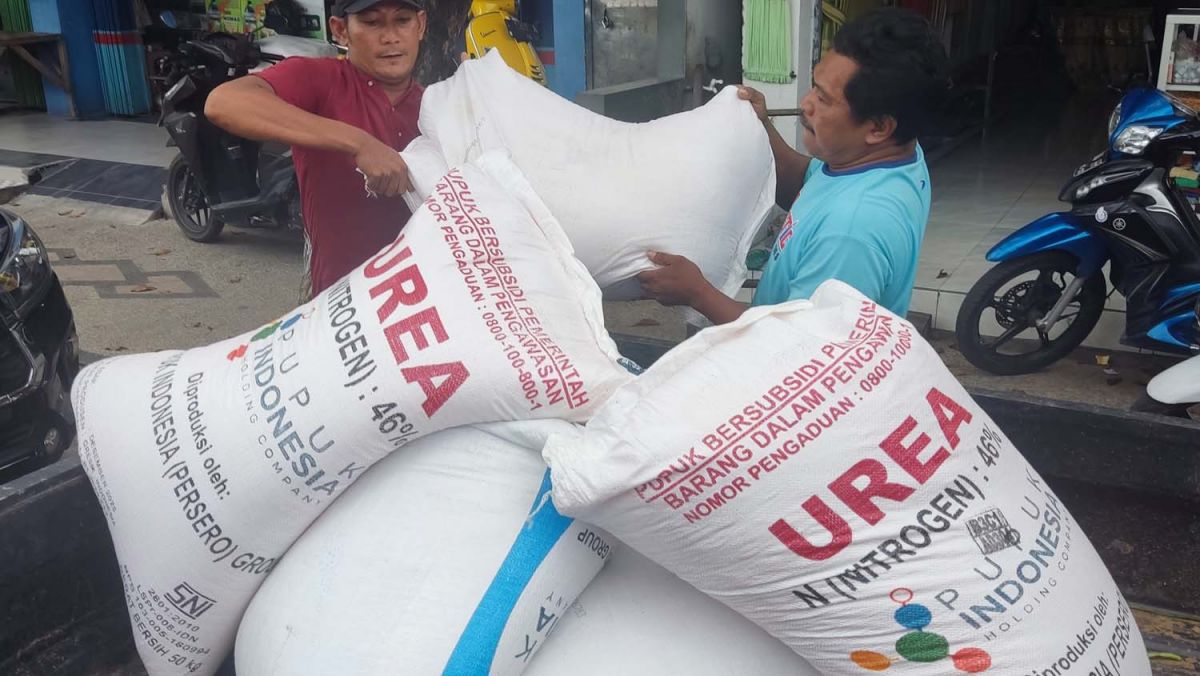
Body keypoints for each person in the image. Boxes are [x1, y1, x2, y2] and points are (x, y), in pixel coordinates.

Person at [638, 7, 951, 324]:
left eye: (824, 98)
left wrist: (698, 294)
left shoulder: (849, 233)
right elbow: (806, 182)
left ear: (879, 128)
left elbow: (794, 341)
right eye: (814, 85)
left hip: (785, 352)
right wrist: (761, 126)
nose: (806, 103)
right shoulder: (895, 155)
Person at [205, 0, 426, 298]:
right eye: (372, 22)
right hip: (341, 301)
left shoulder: (438, 104)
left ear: (420, 26)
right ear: (340, 30)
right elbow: (224, 103)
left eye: (402, 21)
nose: (390, 37)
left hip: (427, 301)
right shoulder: (320, 79)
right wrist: (359, 142)